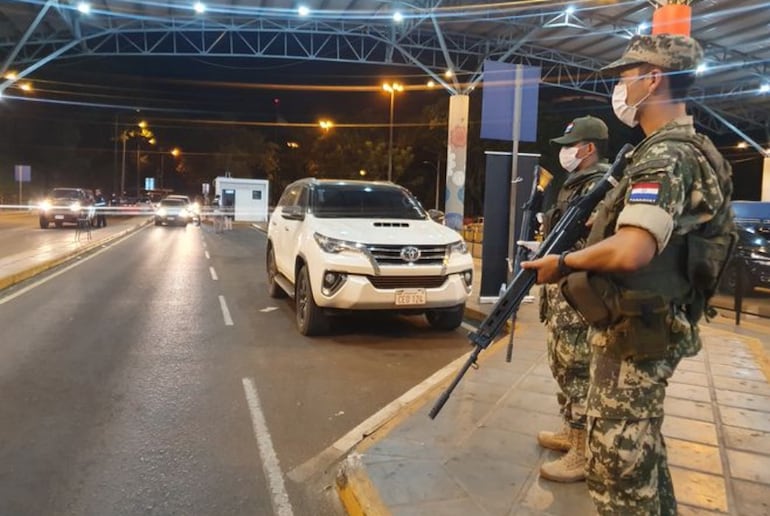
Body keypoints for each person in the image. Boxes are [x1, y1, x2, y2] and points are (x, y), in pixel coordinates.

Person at [522, 34, 734, 515]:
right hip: (643, 325)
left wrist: (564, 263)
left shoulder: (667, 155)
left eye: (625, 76)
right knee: (642, 460)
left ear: (652, 78)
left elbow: (633, 249)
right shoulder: (678, 148)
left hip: (640, 334)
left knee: (618, 472)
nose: (620, 87)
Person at [537, 115, 610, 483]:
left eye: (571, 146)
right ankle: (571, 432)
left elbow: (597, 243)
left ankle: (583, 451)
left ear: (589, 148)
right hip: (561, 293)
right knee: (562, 365)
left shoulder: (602, 186)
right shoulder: (574, 185)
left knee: (579, 370)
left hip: (579, 294)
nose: (565, 153)